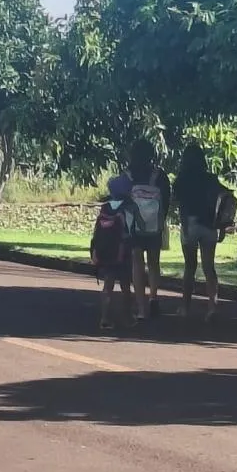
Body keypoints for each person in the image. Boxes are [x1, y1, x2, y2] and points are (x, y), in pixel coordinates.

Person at [173, 143, 234, 321]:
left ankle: (185, 307)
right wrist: (223, 225)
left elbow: (177, 202)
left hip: (189, 224)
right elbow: (225, 196)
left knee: (189, 267)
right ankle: (212, 307)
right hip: (209, 225)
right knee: (209, 267)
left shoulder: (181, 179)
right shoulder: (211, 179)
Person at [125, 139, 171, 320]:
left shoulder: (128, 175)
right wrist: (160, 218)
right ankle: (153, 297)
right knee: (154, 262)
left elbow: (120, 197)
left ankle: (141, 305)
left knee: (137, 262)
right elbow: (166, 199)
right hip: (154, 225)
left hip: (135, 225)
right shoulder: (159, 175)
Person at [90, 174, 140, 331]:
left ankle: (105, 318)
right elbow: (135, 228)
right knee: (125, 285)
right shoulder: (130, 206)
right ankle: (128, 317)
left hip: (106, 250)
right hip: (123, 250)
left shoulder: (106, 206)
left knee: (108, 285)